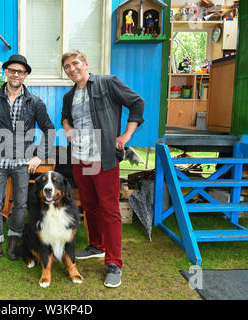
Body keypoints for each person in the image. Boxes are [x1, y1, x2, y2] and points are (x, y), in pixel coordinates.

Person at [60, 50, 144, 288]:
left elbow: (137, 102)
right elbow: (65, 117)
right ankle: (96, 245)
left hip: (104, 157)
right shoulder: (69, 95)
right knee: (90, 205)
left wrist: (126, 134)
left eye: (75, 63)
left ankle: (114, 263)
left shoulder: (107, 83)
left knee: (109, 210)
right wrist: (67, 128)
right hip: (79, 159)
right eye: (67, 66)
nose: (72, 68)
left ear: (86, 63)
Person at [0, 54, 55, 264]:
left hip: (23, 163)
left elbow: (49, 130)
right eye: (12, 70)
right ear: (6, 72)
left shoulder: (34, 102)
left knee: (19, 204)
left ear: (25, 75)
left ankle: (14, 242)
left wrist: (39, 156)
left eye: (21, 71)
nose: (16, 74)